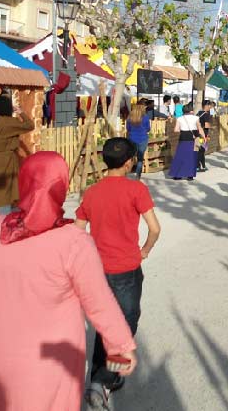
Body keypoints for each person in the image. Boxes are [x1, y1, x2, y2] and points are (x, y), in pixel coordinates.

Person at [0, 151, 137, 411]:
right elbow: (99, 302)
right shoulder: (73, 242)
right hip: (52, 363)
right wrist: (121, 345)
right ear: (62, 186)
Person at [75, 138, 160, 409]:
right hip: (126, 268)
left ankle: (102, 378)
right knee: (124, 322)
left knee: (105, 323)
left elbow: (78, 232)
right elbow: (155, 228)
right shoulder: (136, 189)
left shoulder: (92, 192)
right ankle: (103, 379)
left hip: (98, 269)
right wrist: (144, 250)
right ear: (128, 162)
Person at [0, 94, 35, 218]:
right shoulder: (9, 123)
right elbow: (30, 125)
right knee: (6, 195)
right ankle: (4, 226)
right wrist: (20, 112)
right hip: (6, 162)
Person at [168, 103, 204, 181]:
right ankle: (190, 175)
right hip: (193, 139)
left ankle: (178, 175)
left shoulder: (180, 118)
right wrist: (204, 137)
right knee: (192, 157)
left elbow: (176, 130)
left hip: (183, 138)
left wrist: (182, 128)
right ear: (191, 110)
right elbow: (200, 128)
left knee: (180, 156)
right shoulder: (196, 118)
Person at [126, 101, 151, 180]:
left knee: (131, 157)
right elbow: (148, 129)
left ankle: (126, 172)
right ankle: (137, 175)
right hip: (143, 139)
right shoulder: (146, 117)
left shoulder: (130, 117)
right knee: (140, 158)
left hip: (132, 138)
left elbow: (128, 128)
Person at [196, 100, 213, 172]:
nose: (210, 107)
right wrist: (211, 127)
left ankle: (200, 166)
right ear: (206, 105)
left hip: (197, 134)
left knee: (199, 150)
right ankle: (200, 166)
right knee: (202, 151)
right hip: (203, 135)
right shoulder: (206, 114)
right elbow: (206, 125)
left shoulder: (198, 113)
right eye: (209, 105)